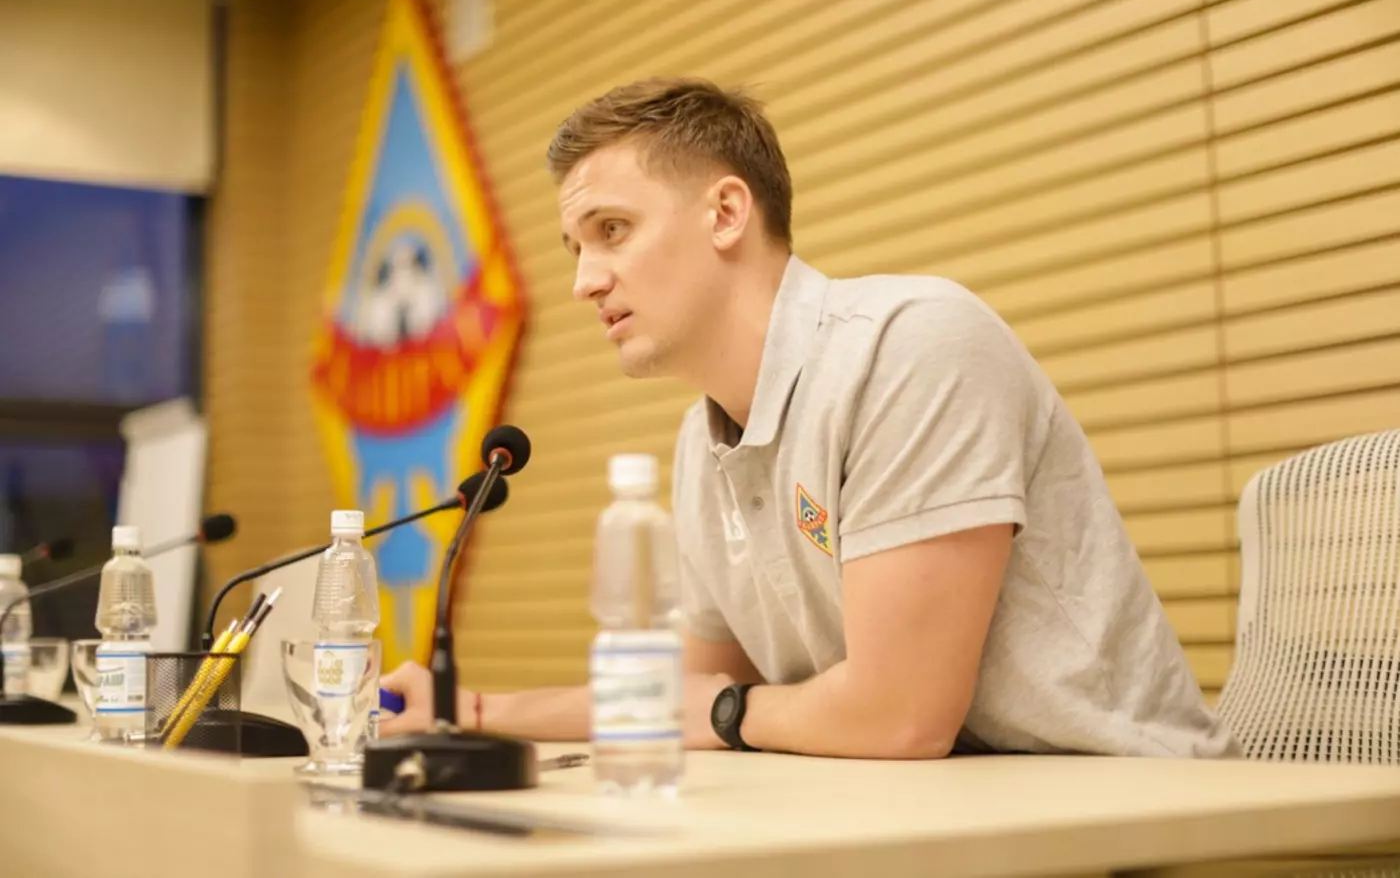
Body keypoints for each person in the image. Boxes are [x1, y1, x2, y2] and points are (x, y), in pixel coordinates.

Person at [380, 76, 1240, 760]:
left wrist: (726, 713)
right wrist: (469, 709)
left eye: (613, 230)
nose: (584, 282)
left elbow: (899, 719)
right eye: (577, 249)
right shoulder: (702, 442)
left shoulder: (911, 346)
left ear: (726, 213)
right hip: (934, 818)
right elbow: (682, 698)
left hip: (1127, 813)